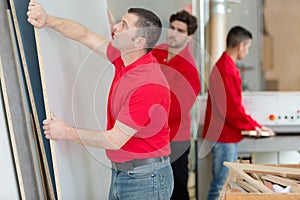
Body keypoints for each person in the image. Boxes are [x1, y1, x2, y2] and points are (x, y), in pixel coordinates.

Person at [27, 2, 174, 200]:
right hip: (123, 174)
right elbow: (84, 35)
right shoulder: (124, 58)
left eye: (124, 25)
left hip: (146, 181)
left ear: (138, 42)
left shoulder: (147, 85)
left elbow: (114, 139)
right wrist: (48, 20)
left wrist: (66, 132)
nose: (115, 27)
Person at [202, 26, 275, 200]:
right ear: (240, 45)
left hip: (224, 135)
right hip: (223, 137)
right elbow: (232, 110)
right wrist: (256, 126)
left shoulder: (226, 66)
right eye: (248, 47)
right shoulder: (226, 69)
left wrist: (254, 126)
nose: (247, 51)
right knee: (221, 184)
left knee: (225, 183)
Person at [152, 10, 200, 200]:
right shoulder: (157, 52)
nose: (173, 33)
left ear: (189, 37)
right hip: (153, 136)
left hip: (175, 139)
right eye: (172, 27)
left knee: (177, 189)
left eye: (180, 30)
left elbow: (177, 109)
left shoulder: (190, 68)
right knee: (156, 187)